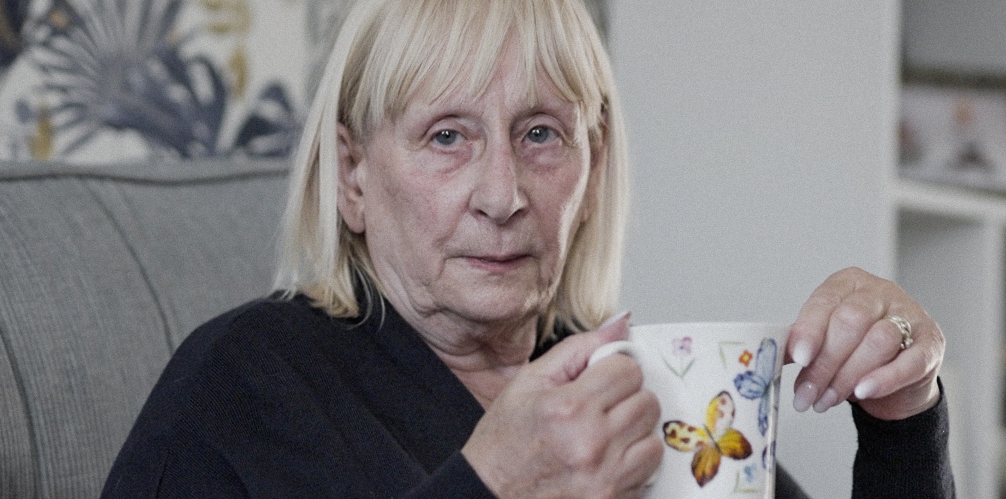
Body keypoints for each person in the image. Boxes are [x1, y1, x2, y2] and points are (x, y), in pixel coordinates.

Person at [101, 0, 954, 497]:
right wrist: (489, 485)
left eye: (541, 133)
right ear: (353, 174)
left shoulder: (652, 385)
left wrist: (903, 419)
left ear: (595, 164)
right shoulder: (245, 383)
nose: (503, 194)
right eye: (446, 136)